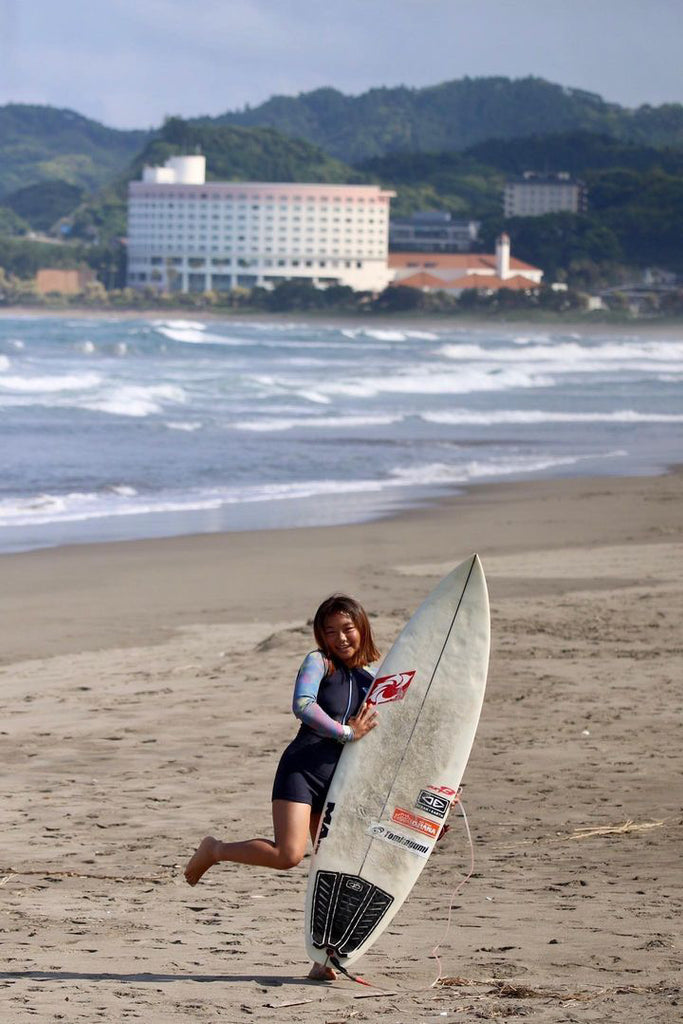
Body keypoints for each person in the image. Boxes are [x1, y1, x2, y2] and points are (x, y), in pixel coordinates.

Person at [183, 593, 380, 980]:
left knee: (334, 871)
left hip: (339, 780)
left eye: (347, 629)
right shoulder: (319, 663)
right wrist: (345, 731)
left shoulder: (373, 677)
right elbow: (303, 705)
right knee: (289, 854)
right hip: (303, 769)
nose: (340, 638)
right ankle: (216, 849)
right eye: (330, 631)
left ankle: (322, 959)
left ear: (362, 628)